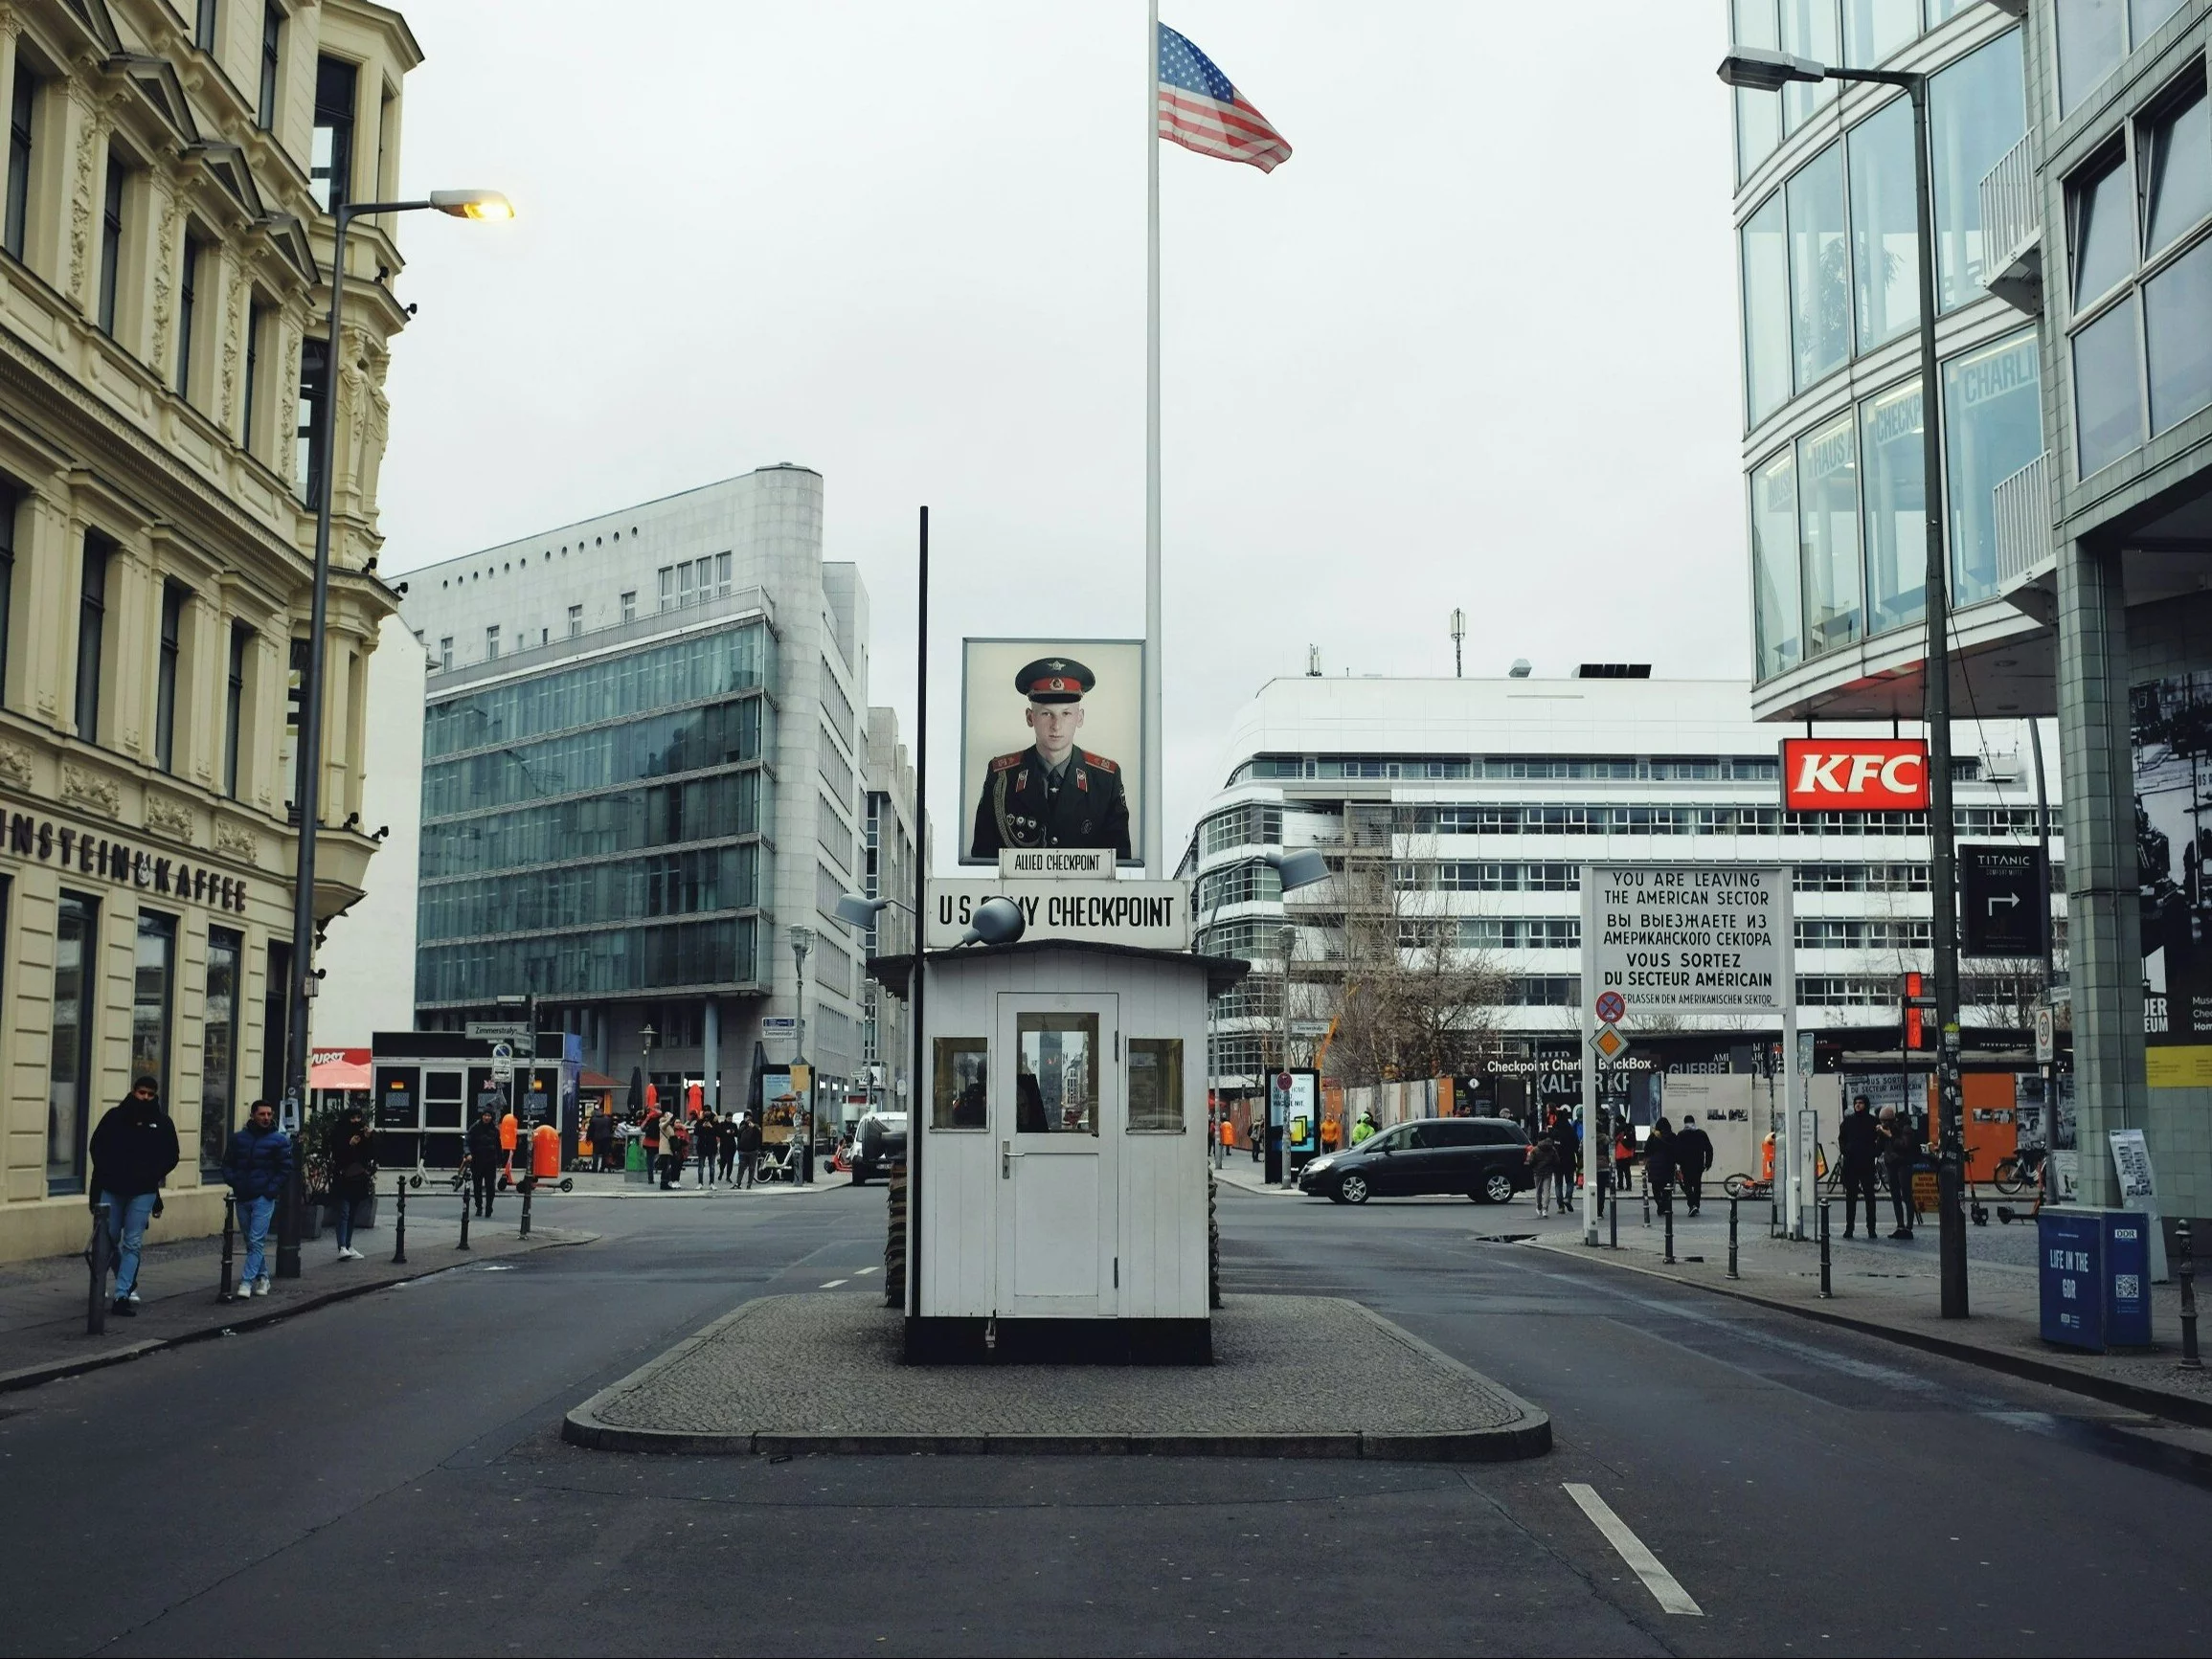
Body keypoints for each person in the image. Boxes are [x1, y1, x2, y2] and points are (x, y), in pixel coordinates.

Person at [969, 657, 1132, 860]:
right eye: (1046, 714)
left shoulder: (1106, 780)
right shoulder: (1002, 777)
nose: (1056, 725)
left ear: (1080, 718)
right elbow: (982, 860)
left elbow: (1121, 866)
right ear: (1030, 717)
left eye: (1066, 714)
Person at [88, 1075, 180, 1315]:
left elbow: (172, 1155)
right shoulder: (115, 1117)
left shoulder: (162, 1122)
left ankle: (122, 1294)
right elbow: (97, 1146)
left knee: (133, 1243)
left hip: (143, 1191)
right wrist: (108, 1172)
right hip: (112, 1187)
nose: (146, 1098)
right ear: (133, 1092)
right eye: (142, 1093)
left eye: (150, 1094)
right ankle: (122, 1282)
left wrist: (152, 1174)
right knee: (107, 1239)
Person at [222, 1100, 293, 1297]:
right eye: (262, 1114)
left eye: (269, 1114)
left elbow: (285, 1168)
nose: (266, 1118)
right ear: (253, 1115)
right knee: (250, 1240)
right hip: (243, 1194)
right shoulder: (238, 1139)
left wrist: (271, 1190)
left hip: (263, 1197)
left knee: (256, 1239)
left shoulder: (278, 1140)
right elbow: (227, 1164)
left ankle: (246, 1282)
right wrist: (234, 1181)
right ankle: (263, 1277)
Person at [327, 1107, 376, 1262]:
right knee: (344, 1212)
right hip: (343, 1178)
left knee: (352, 1213)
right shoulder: (339, 1133)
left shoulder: (362, 1135)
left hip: (357, 1179)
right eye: (353, 1118)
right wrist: (349, 1144)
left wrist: (368, 1138)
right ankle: (342, 1246)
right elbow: (336, 1154)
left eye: (358, 1117)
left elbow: (369, 1155)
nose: (356, 1121)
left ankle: (348, 1245)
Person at [1837, 1093, 1884, 1240]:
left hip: (1866, 1164)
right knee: (1851, 1198)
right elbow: (1841, 1138)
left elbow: (1880, 1139)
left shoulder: (1873, 1121)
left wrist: (1874, 1152)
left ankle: (1871, 1229)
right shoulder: (1848, 1121)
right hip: (1851, 1164)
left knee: (1870, 1198)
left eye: (1861, 1103)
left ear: (1866, 1105)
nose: (1858, 1105)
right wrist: (1846, 1150)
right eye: (1856, 1102)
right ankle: (1849, 1228)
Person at [1878, 1104, 1917, 1241]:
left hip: (1903, 1164)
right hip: (1891, 1165)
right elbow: (1879, 1148)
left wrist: (1890, 1136)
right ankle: (1900, 1225)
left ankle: (1909, 1226)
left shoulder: (1904, 1128)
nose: (1883, 1124)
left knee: (1906, 1195)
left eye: (1885, 1121)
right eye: (1881, 1121)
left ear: (1891, 1120)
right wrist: (1880, 1135)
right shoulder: (1885, 1131)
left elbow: (1905, 1145)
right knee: (1895, 1196)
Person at [1673, 1111, 1714, 1217]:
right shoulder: (1701, 1133)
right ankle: (1696, 1205)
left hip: (1685, 1164)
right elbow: (1709, 1149)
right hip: (1698, 1164)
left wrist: (1677, 1162)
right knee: (1697, 1185)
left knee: (1686, 1185)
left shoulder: (1681, 1134)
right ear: (1694, 1122)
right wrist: (1708, 1163)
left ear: (1685, 1123)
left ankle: (1692, 1205)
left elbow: (1676, 1150)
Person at [464, 1106, 502, 1218]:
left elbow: (498, 1146)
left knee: (490, 1187)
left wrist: (500, 1159)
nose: (486, 1118)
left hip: (490, 1162)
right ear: (482, 1116)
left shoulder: (495, 1130)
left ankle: (489, 1207)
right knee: (477, 1186)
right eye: (485, 1115)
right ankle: (479, 1207)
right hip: (477, 1161)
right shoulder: (475, 1128)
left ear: (492, 1117)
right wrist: (468, 1154)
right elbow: (467, 1141)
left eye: (489, 1116)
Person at [1644, 1116, 1678, 1218]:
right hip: (1668, 1165)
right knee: (1667, 1188)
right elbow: (1676, 1150)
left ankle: (1660, 1204)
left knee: (1656, 1187)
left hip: (1654, 1165)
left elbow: (1646, 1150)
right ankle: (1664, 1205)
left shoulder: (1653, 1136)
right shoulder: (1672, 1136)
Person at [1547, 1110, 1577, 1212]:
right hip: (1569, 1159)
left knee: (1558, 1183)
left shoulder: (1554, 1131)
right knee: (1569, 1181)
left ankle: (1560, 1206)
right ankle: (1568, 1198)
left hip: (1557, 1161)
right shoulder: (1570, 1130)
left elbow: (1550, 1145)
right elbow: (1576, 1145)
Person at [1526, 1132, 1560, 1218]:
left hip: (1537, 1172)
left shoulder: (1535, 1149)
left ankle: (1539, 1207)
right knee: (1547, 1191)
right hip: (1548, 1172)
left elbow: (1531, 1161)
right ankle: (1545, 1209)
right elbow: (1557, 1161)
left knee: (1538, 1190)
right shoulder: (1552, 1148)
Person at [735, 1112, 762, 1188]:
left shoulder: (755, 1126)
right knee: (741, 1168)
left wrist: (754, 1127)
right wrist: (739, 1148)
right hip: (743, 1151)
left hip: (753, 1151)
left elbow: (759, 1134)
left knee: (751, 1168)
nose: (748, 1119)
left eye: (749, 1117)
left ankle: (749, 1184)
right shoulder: (742, 1127)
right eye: (746, 1117)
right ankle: (738, 1183)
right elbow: (739, 1138)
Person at [1614, 1123, 1636, 1195]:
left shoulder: (1621, 1133)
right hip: (1628, 1155)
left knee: (1620, 1172)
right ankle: (1629, 1186)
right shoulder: (1631, 1133)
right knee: (1627, 1171)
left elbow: (1615, 1140)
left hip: (1620, 1154)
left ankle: (1620, 1185)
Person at [717, 1114, 740, 1184]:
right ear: (726, 1118)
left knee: (730, 1162)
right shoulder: (722, 1124)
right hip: (723, 1145)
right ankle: (721, 1171)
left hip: (732, 1146)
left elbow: (737, 1134)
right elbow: (719, 1133)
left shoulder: (734, 1125)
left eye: (731, 1118)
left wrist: (733, 1132)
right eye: (728, 1118)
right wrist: (726, 1132)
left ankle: (728, 1176)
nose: (730, 1120)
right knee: (723, 1160)